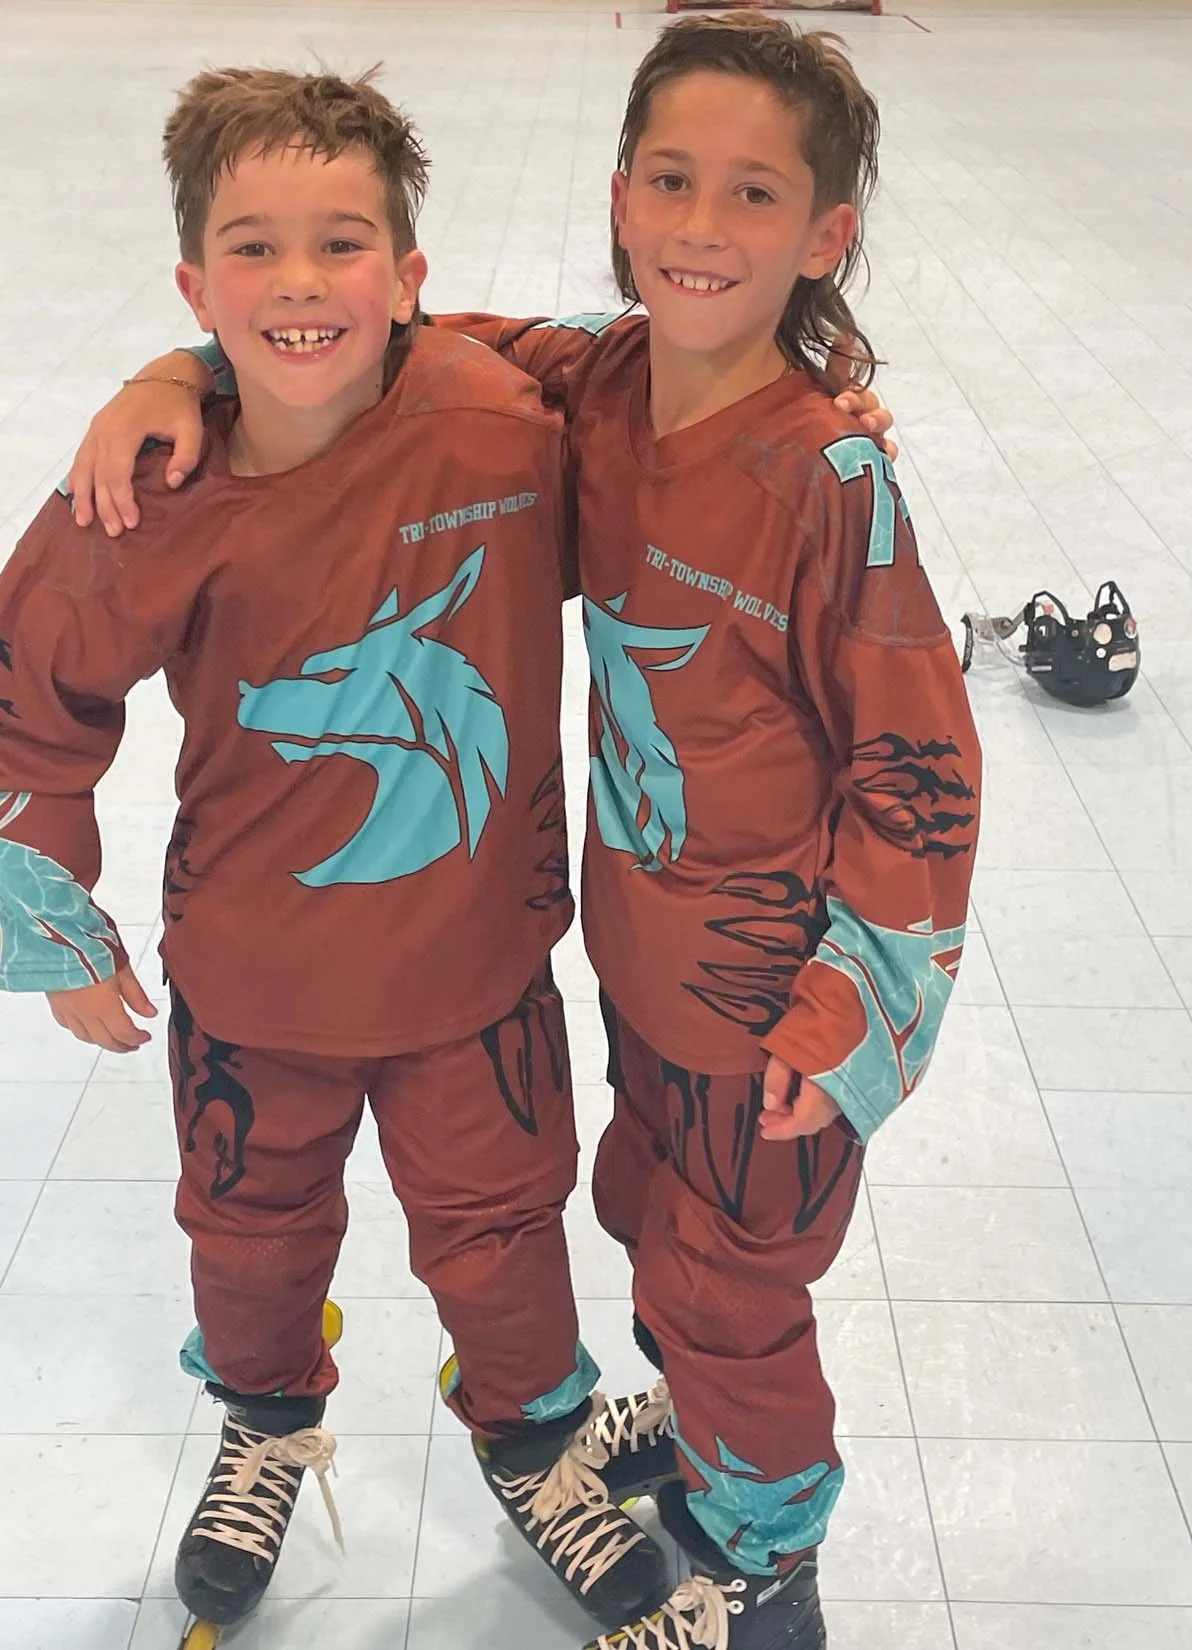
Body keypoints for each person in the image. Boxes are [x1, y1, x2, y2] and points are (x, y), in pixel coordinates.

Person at [61, 22, 934, 1650]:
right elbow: (339, 328)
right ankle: (647, 1440)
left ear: (823, 235)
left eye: (750, 193)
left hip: (766, 994)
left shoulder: (818, 476)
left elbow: (915, 757)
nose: (696, 221)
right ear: (617, 197)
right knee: (646, 1227)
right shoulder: (588, 388)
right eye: (668, 180)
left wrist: (860, 997)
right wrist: (169, 373)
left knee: (722, 1281)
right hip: (630, 970)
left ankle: (758, 1579)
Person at [0, 65, 677, 1639]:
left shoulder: (498, 422)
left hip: (477, 970)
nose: (299, 282)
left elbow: (661, 382)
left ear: (412, 279)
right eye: (250, 251)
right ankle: (263, 1419)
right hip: (252, 982)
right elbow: (34, 688)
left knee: (504, 1231)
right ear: (193, 282)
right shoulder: (146, 492)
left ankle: (531, 1437)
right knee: (245, 1235)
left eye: (340, 244)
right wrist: (55, 917)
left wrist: (813, 404)